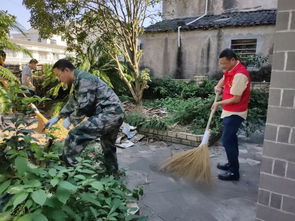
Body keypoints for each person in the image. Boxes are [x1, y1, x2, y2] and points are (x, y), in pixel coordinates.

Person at [45, 59, 124, 175]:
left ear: (66, 70)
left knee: (74, 135)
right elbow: (74, 101)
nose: (58, 79)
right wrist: (58, 117)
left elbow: (85, 106)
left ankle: (70, 173)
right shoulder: (79, 80)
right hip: (115, 114)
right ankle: (113, 175)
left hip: (109, 114)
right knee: (108, 146)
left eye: (58, 75)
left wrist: (70, 120)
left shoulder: (84, 80)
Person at [211, 48, 251, 181]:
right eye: (221, 64)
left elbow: (236, 99)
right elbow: (224, 77)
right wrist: (218, 85)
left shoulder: (240, 75)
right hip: (229, 110)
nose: (223, 66)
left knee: (227, 141)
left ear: (233, 60)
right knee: (231, 140)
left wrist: (218, 103)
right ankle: (231, 164)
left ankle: (234, 172)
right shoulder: (231, 69)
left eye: (225, 64)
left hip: (236, 112)